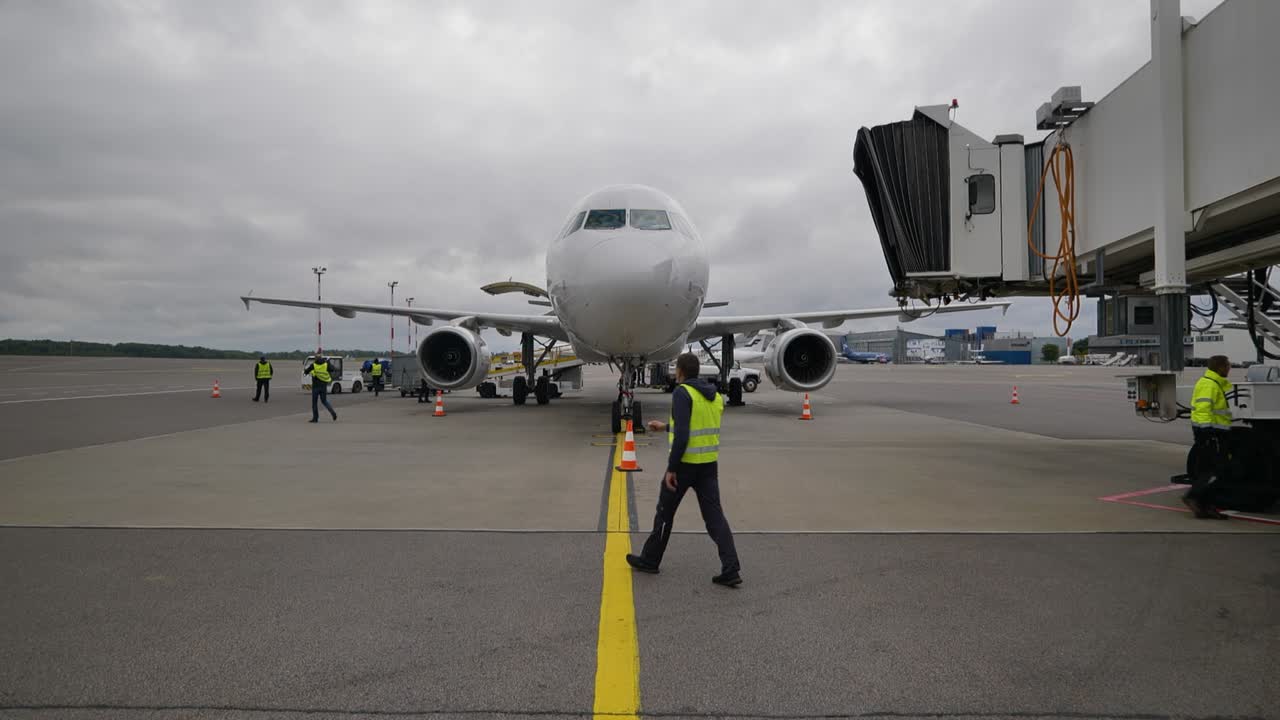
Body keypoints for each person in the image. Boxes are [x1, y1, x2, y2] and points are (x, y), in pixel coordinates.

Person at [628, 352, 741, 587]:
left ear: (680, 371)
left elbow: (683, 435)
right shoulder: (714, 395)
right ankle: (731, 567)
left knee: (664, 514)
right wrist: (665, 427)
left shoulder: (682, 393)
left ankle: (650, 559)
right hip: (708, 465)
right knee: (715, 518)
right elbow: (695, 425)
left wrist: (672, 469)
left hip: (684, 466)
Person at [1184, 355, 1233, 518]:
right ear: (1220, 367)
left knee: (1213, 470)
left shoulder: (1214, 383)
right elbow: (1203, 410)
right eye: (1227, 365)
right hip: (1211, 433)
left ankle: (1205, 506)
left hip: (1215, 432)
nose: (1229, 368)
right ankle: (1194, 497)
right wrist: (1207, 433)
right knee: (1214, 470)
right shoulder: (1209, 384)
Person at [304, 355, 338, 423]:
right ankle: (333, 413)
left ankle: (315, 418)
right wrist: (328, 362)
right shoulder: (326, 364)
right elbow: (333, 369)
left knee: (314, 403)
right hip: (323, 386)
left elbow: (306, 371)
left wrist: (307, 371)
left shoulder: (313, 365)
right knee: (324, 401)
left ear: (315, 359)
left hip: (315, 387)